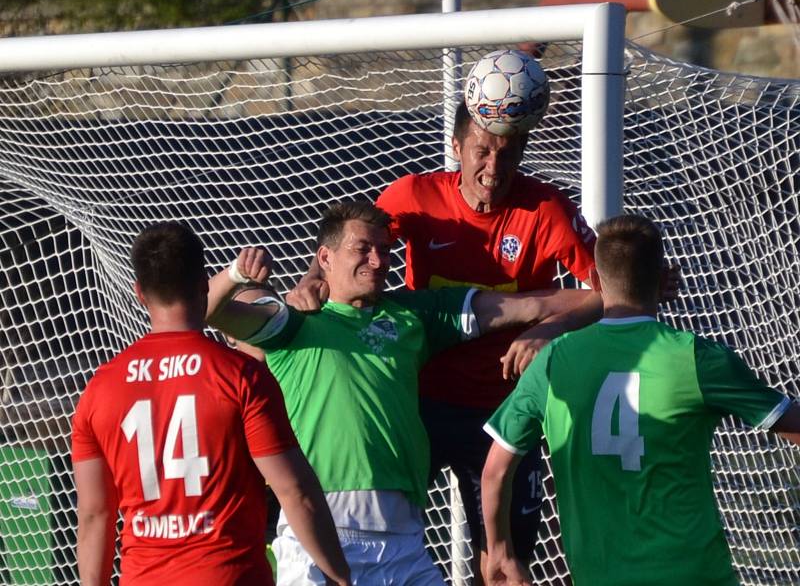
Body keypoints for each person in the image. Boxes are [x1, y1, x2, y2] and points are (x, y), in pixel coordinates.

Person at [288, 100, 603, 581]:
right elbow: (355, 236)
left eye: (508, 154)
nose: (492, 168)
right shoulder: (414, 197)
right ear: (456, 148)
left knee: (506, 563)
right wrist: (312, 278)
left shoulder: (547, 208)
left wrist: (550, 329)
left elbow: (611, 291)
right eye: (481, 151)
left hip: (506, 410)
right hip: (422, 406)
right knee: (387, 529)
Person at [205, 201, 595, 585]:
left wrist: (567, 320)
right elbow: (207, 311)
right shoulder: (293, 322)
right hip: (319, 535)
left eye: (384, 250)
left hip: (404, 539)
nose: (378, 261)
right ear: (325, 257)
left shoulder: (415, 314)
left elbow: (538, 304)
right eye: (362, 249)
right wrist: (237, 273)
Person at [481, 214, 800, 586]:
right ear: (664, 279)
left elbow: (495, 472)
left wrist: (501, 550)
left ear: (596, 282)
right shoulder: (697, 358)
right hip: (694, 576)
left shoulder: (553, 361)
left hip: (599, 576)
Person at [71, 222, 350, 586]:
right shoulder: (239, 375)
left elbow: (95, 514)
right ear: (204, 283)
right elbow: (293, 490)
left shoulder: (99, 389)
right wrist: (340, 575)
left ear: (140, 293)